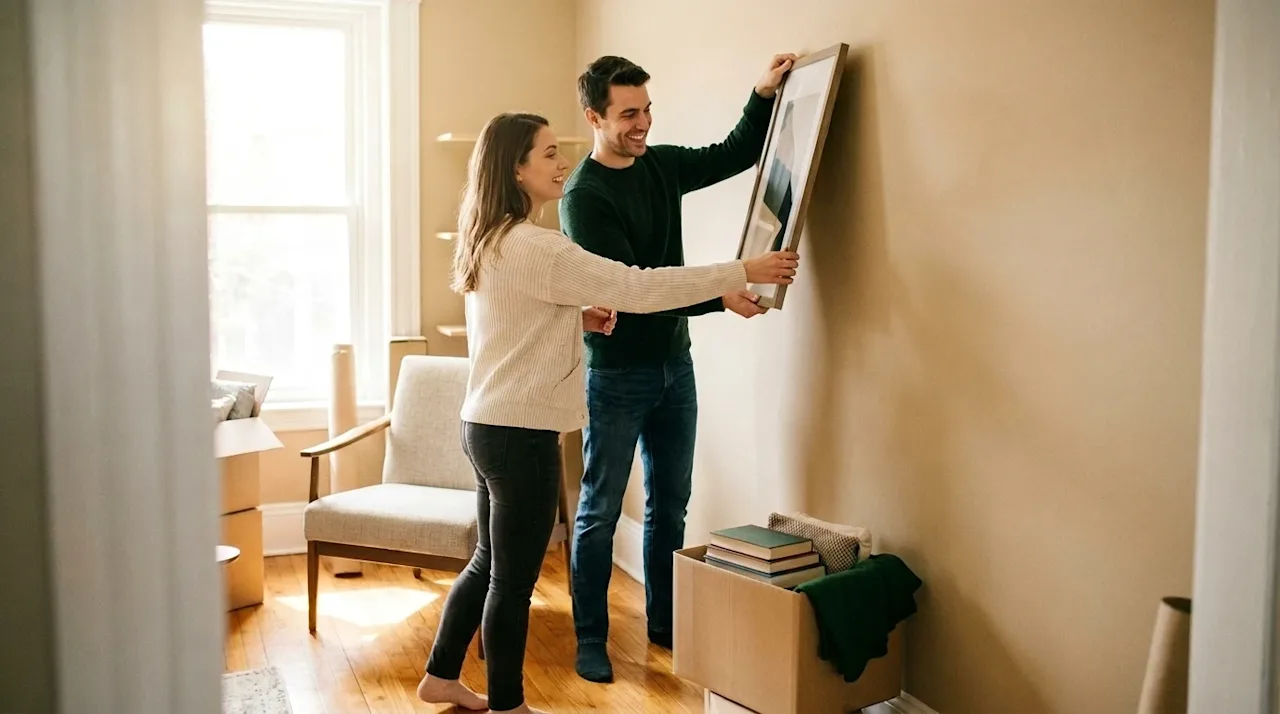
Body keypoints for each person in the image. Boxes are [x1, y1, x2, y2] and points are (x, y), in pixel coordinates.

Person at [413, 112, 799, 714]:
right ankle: (509, 705)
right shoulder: (538, 245)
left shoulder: (488, 238)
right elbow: (635, 286)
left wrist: (576, 316)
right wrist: (739, 272)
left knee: (489, 562)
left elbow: (515, 319)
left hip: (484, 422)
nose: (561, 162)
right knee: (513, 582)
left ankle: (440, 676)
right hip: (519, 433)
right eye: (547, 154)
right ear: (516, 168)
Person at [559, 52, 798, 683]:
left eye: (648, 109)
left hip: (674, 368)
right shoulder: (584, 197)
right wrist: (724, 292)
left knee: (671, 506)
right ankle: (591, 639)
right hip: (616, 377)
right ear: (594, 116)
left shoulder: (660, 165)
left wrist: (761, 90)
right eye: (629, 114)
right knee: (598, 512)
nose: (643, 124)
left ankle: (664, 623)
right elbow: (637, 291)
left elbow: (735, 152)